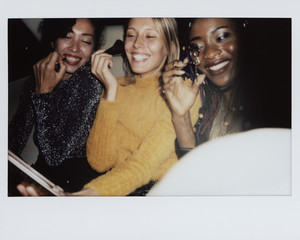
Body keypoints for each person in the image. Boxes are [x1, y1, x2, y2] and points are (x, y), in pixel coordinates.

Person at [72, 18, 187, 196]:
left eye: (150, 36)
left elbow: (144, 164)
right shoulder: (117, 86)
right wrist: (110, 91)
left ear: (170, 47)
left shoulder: (180, 92)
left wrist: (90, 194)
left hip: (159, 193)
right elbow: (99, 161)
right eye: (131, 35)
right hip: (118, 190)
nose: (137, 44)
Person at [9, 18, 104, 193]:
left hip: (78, 182)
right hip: (42, 174)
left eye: (85, 41)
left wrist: (43, 93)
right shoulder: (34, 81)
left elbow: (55, 155)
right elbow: (15, 139)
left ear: (93, 50)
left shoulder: (91, 83)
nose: (75, 48)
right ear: (53, 42)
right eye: (66, 37)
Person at [162, 18, 255, 158]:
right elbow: (195, 170)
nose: (209, 53)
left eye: (222, 37)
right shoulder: (212, 109)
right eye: (197, 47)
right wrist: (181, 116)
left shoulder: (272, 107)